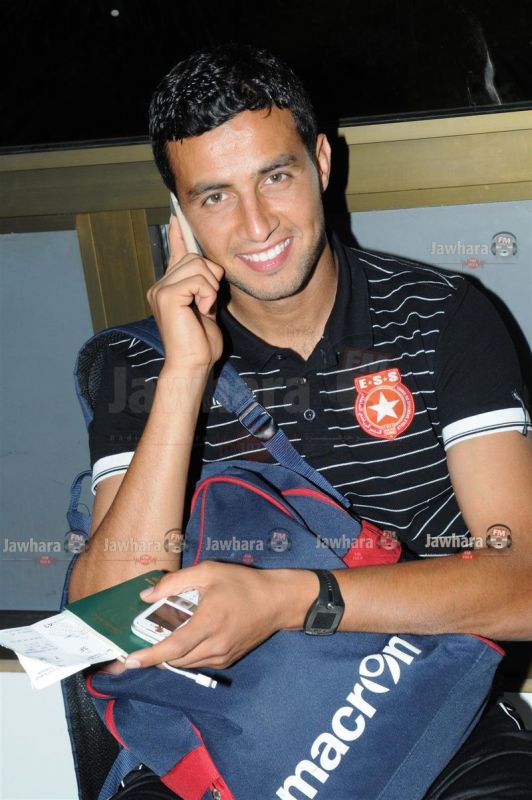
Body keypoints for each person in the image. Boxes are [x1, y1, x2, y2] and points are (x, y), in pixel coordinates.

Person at [69, 44, 532, 798]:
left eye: (275, 177)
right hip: (231, 737)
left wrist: (292, 599)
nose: (256, 226)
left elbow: (523, 583)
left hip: (432, 716)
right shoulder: (143, 361)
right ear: (179, 212)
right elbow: (105, 622)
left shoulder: (441, 317)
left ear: (320, 162)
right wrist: (185, 373)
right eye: (214, 196)